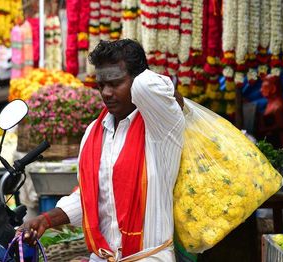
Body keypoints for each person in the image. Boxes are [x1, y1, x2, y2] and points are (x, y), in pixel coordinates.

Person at [18, 39, 185, 261]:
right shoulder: (93, 134)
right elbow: (91, 197)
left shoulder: (161, 126)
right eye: (100, 85)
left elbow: (150, 86)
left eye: (115, 83)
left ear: (136, 82)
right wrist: (46, 220)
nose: (106, 92)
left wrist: (137, 72)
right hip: (103, 256)